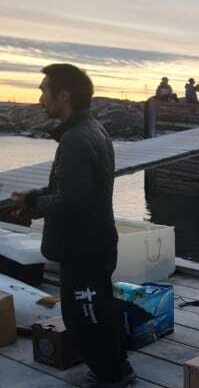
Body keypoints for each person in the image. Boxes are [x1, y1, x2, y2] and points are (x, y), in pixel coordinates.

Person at [10, 64, 135, 387]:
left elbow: (73, 201)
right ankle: (116, 367)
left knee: (87, 315)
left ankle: (112, 375)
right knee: (99, 307)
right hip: (94, 243)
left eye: (43, 90)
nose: (40, 98)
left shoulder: (77, 139)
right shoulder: (91, 129)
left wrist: (33, 205)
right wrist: (36, 195)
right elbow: (73, 189)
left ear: (64, 95)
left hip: (84, 248)